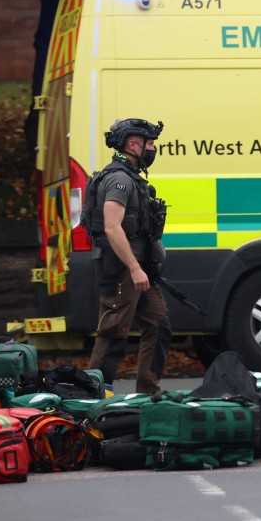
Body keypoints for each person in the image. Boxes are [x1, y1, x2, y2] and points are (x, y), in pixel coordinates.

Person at [86, 118, 172, 394]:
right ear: (133, 144)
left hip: (139, 268)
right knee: (113, 334)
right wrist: (134, 269)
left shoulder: (132, 177)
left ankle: (149, 393)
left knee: (158, 326)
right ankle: (94, 397)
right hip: (122, 268)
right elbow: (112, 226)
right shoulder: (120, 180)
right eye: (150, 144)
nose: (153, 150)